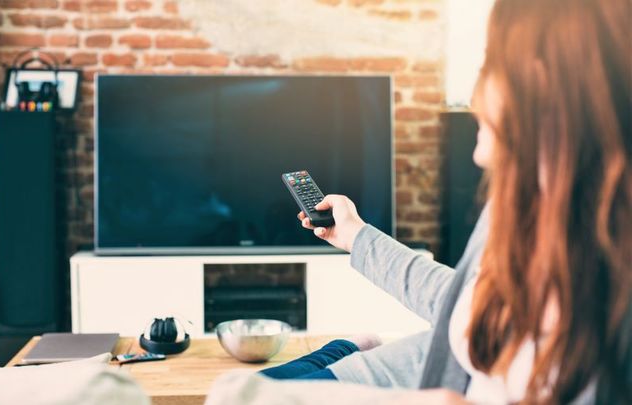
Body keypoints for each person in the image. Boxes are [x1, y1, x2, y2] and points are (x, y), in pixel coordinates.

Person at [213, 0, 631, 403]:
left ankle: (342, 349)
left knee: (236, 394)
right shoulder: (523, 206)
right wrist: (356, 235)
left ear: (540, 83)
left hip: (407, 380)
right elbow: (461, 303)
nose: (474, 94)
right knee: (241, 389)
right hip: (403, 366)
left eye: (489, 65)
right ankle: (344, 349)